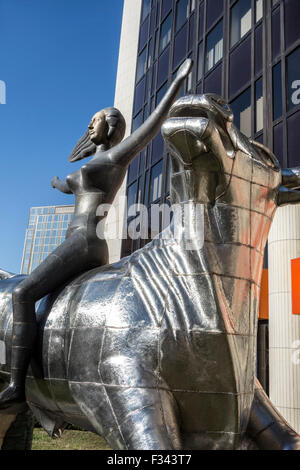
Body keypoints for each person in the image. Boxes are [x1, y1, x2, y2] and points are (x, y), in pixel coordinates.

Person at [0, 59, 193, 408]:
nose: (90, 127)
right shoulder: (91, 163)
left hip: (86, 240)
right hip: (75, 239)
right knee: (39, 299)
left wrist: (176, 83)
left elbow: (150, 127)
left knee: (24, 293)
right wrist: (60, 184)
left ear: (112, 125)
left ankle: (16, 387)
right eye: (88, 124)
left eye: (96, 122)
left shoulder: (116, 157)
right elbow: (70, 185)